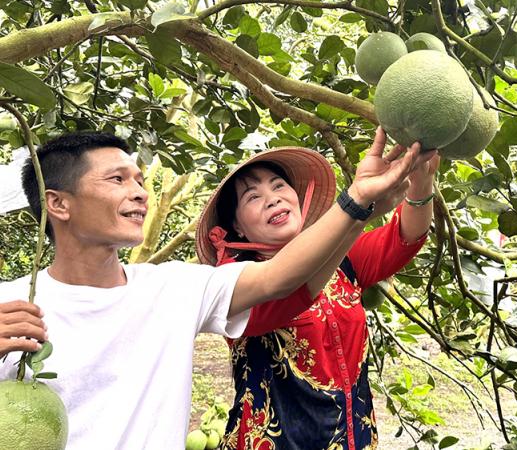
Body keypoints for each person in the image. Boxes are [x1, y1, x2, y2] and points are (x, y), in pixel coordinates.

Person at [0, 129, 434, 450]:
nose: (140, 193)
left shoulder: (174, 288)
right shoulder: (9, 304)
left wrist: (373, 196)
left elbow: (284, 281)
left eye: (138, 180)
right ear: (59, 203)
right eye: (117, 180)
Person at [196, 127, 439, 450]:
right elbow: (283, 288)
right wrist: (357, 210)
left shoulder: (343, 259)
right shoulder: (234, 279)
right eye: (253, 197)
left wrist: (421, 179)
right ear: (237, 226)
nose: (273, 198)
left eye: (279, 186)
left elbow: (405, 237)